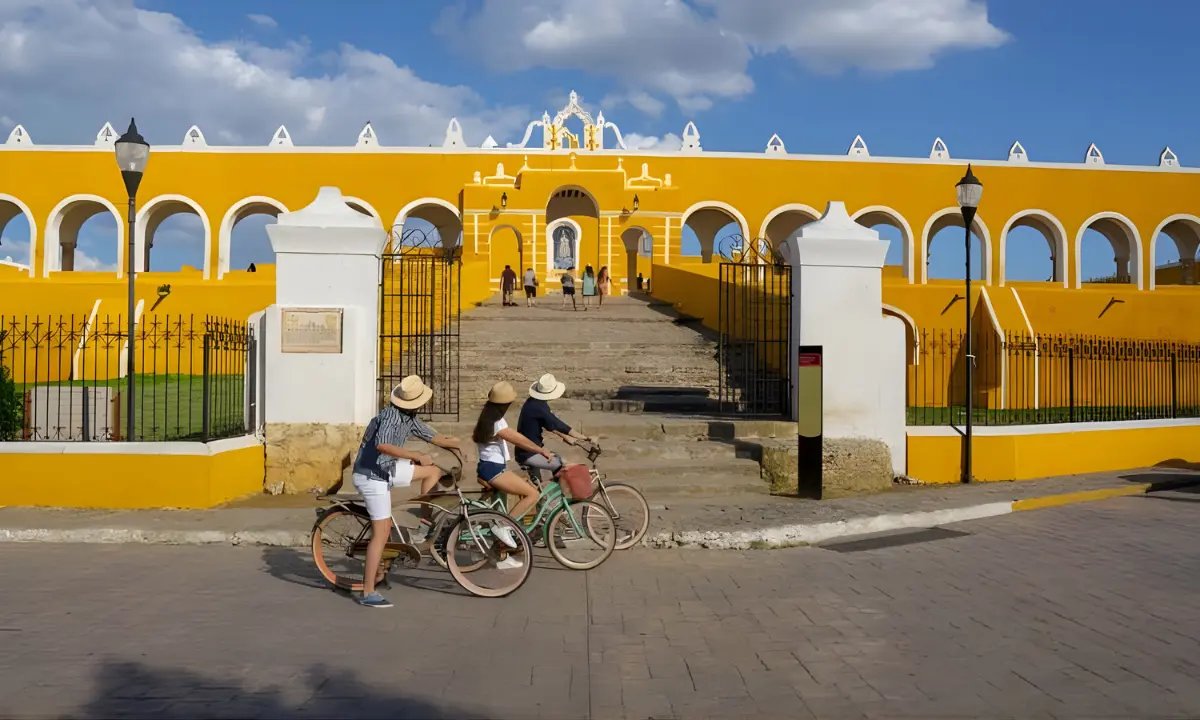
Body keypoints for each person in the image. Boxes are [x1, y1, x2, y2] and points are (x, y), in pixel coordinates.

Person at [352, 375, 462, 609]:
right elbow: (382, 445)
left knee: (431, 471)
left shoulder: (409, 417)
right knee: (381, 532)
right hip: (371, 476)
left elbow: (433, 436)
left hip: (387, 469)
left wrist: (459, 445)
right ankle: (368, 592)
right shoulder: (390, 415)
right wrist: (415, 456)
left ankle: (424, 525)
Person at [473, 381, 555, 567]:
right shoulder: (496, 422)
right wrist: (540, 450)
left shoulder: (487, 418)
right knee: (533, 494)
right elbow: (516, 438)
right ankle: (503, 526)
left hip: (492, 467)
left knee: (522, 487)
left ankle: (501, 555)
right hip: (493, 469)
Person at [516, 373, 593, 480]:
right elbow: (557, 424)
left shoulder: (533, 402)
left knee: (537, 486)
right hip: (529, 453)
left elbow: (549, 424)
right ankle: (560, 495)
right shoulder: (539, 408)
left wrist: (566, 437)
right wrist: (583, 437)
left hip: (528, 449)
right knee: (561, 466)